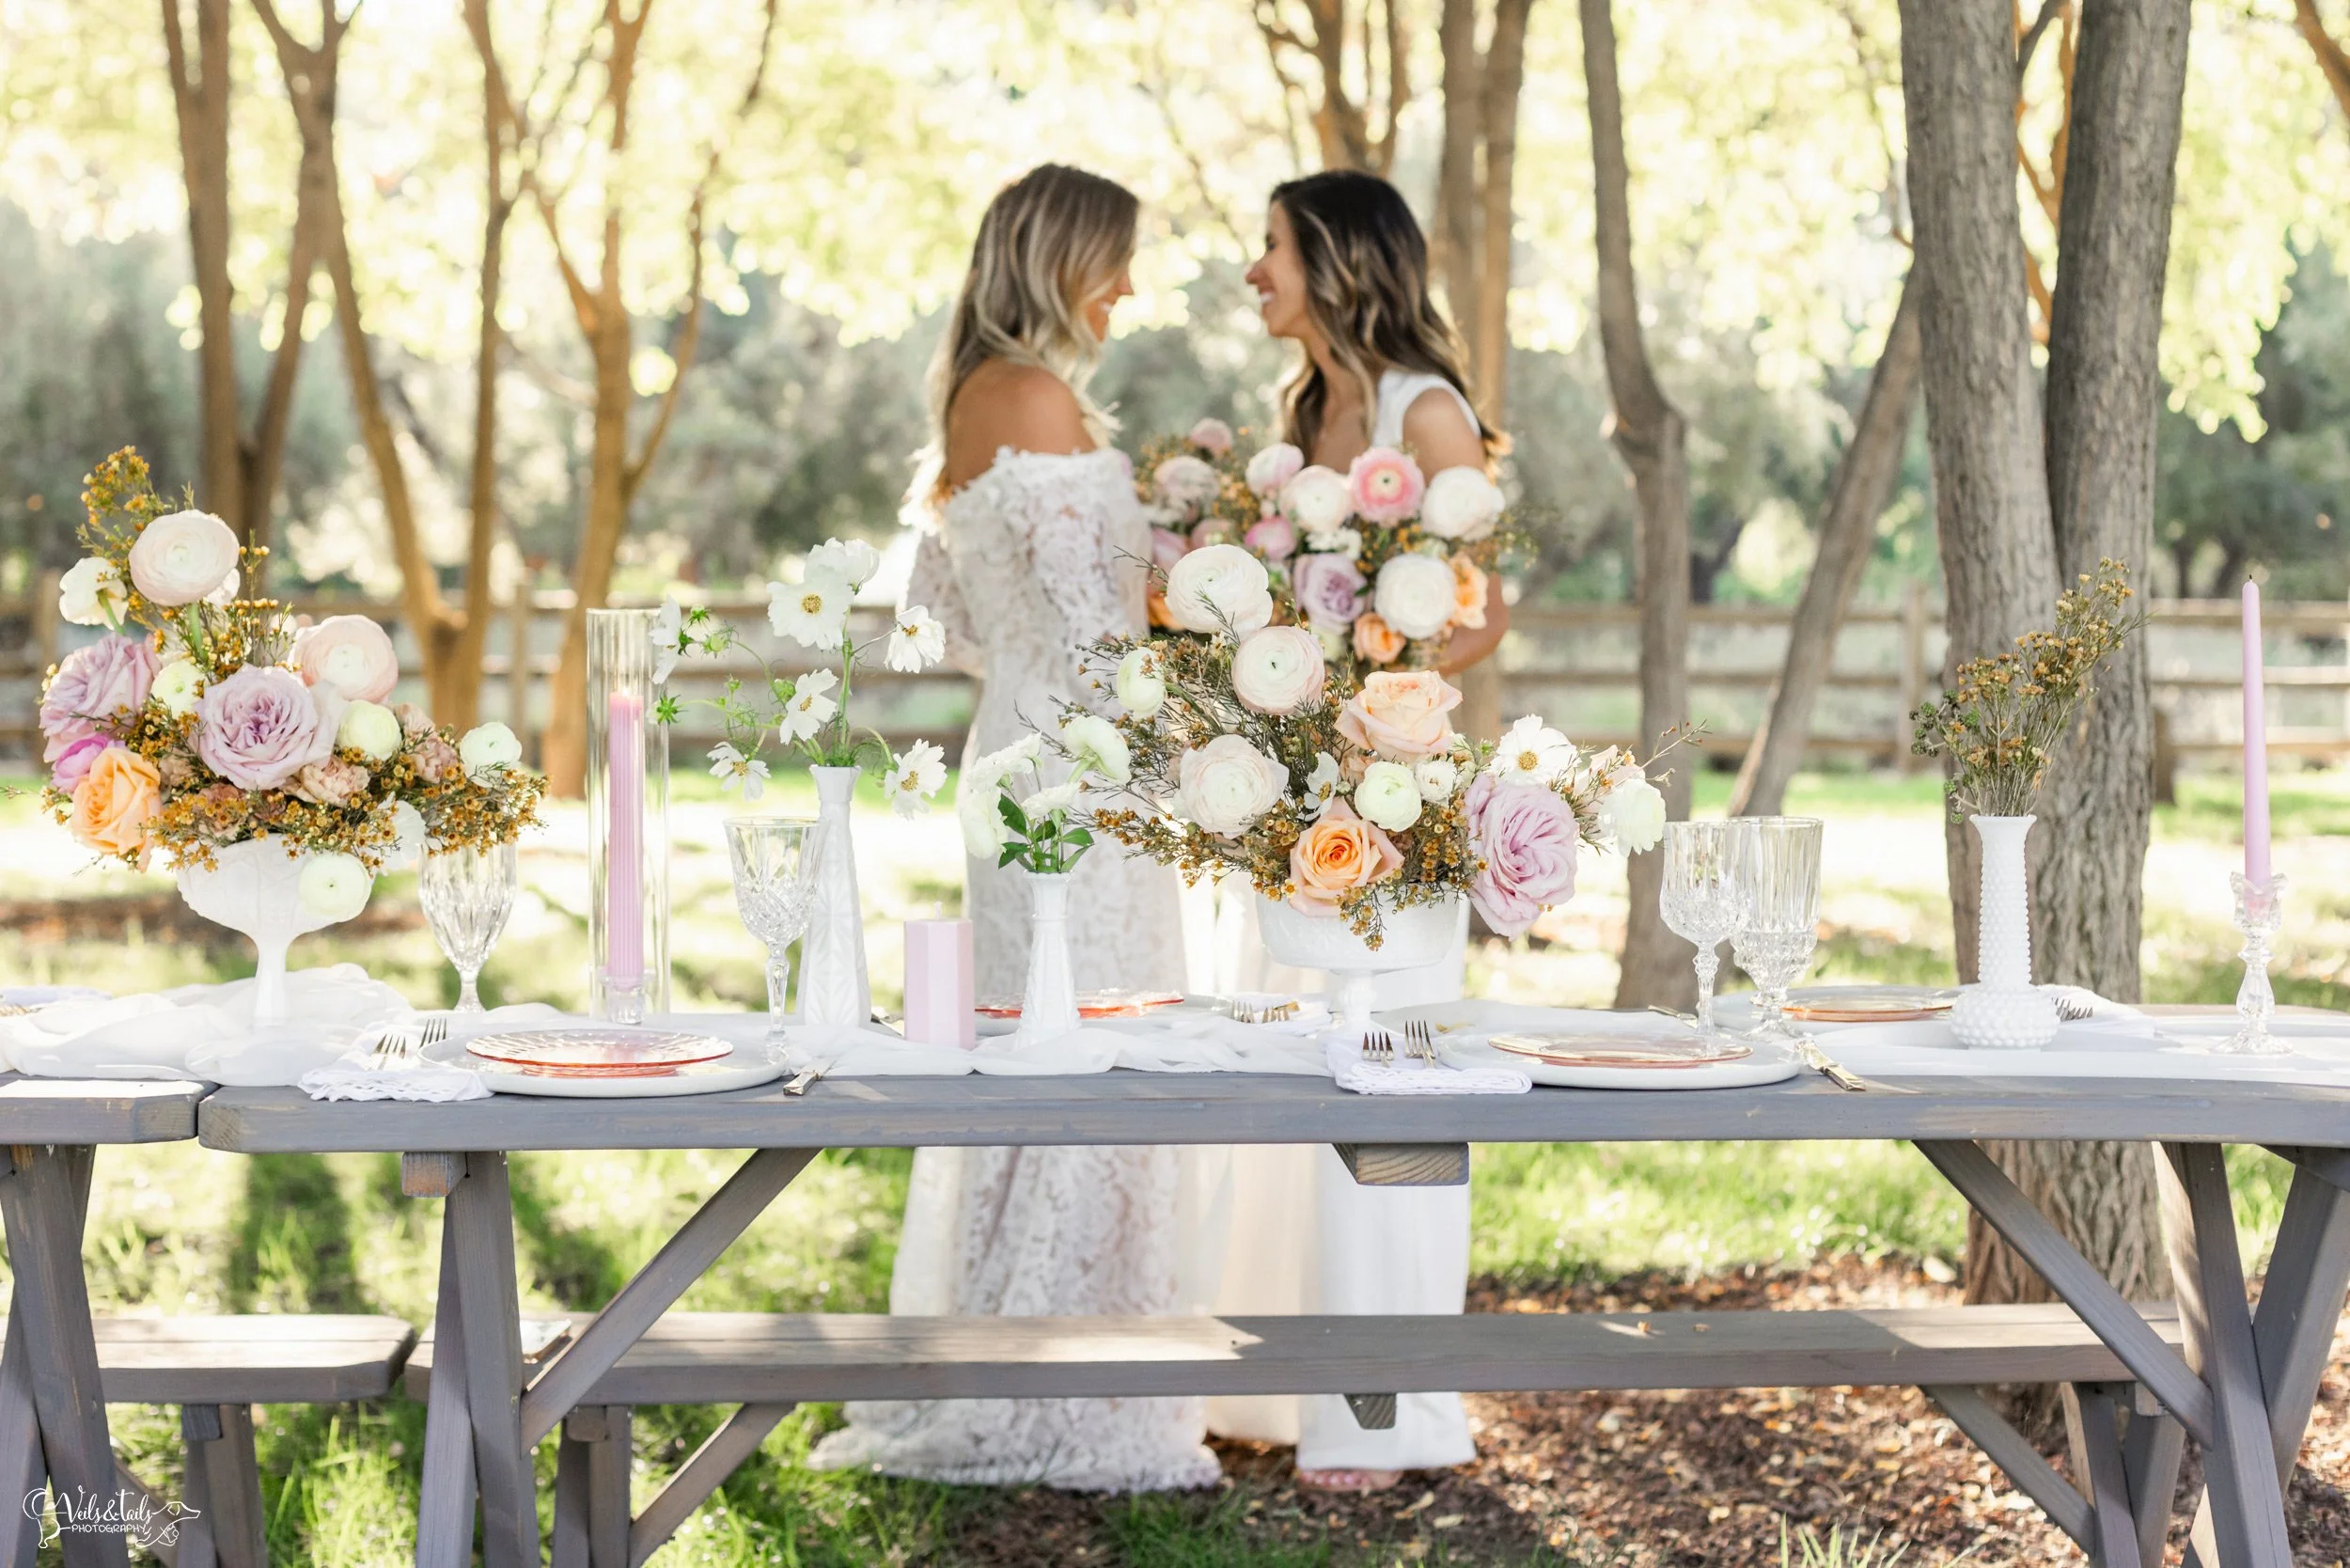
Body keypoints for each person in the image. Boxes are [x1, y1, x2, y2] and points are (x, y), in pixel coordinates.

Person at [808, 165, 1217, 1494]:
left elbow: (977, 622)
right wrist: (1196, 559)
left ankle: (1044, 1341)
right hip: (1077, 781)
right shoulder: (1030, 398)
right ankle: (1079, 1376)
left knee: (1057, 1042)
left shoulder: (980, 400)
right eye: (1119, 262)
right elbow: (1103, 619)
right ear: (1062, 259)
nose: (1132, 291)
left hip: (1033, 752)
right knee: (1089, 1040)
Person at [1202, 167, 1509, 1494]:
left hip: (1393, 787)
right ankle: (1275, 1383)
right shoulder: (1302, 411)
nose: (1252, 268)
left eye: (1269, 247)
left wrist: (1376, 677)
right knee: (1278, 1072)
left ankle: (1389, 1416)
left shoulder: (1418, 409)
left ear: (1333, 260)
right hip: (1286, 787)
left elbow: (1485, 603)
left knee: (1389, 1093)